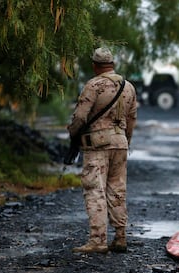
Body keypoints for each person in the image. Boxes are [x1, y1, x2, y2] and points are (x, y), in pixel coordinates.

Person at [67, 47, 137, 253]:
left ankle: (98, 240)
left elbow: (80, 117)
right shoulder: (128, 87)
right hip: (121, 142)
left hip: (97, 145)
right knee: (117, 189)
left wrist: (73, 134)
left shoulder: (93, 85)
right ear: (112, 64)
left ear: (95, 66)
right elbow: (132, 119)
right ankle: (120, 237)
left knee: (95, 189)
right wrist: (126, 140)